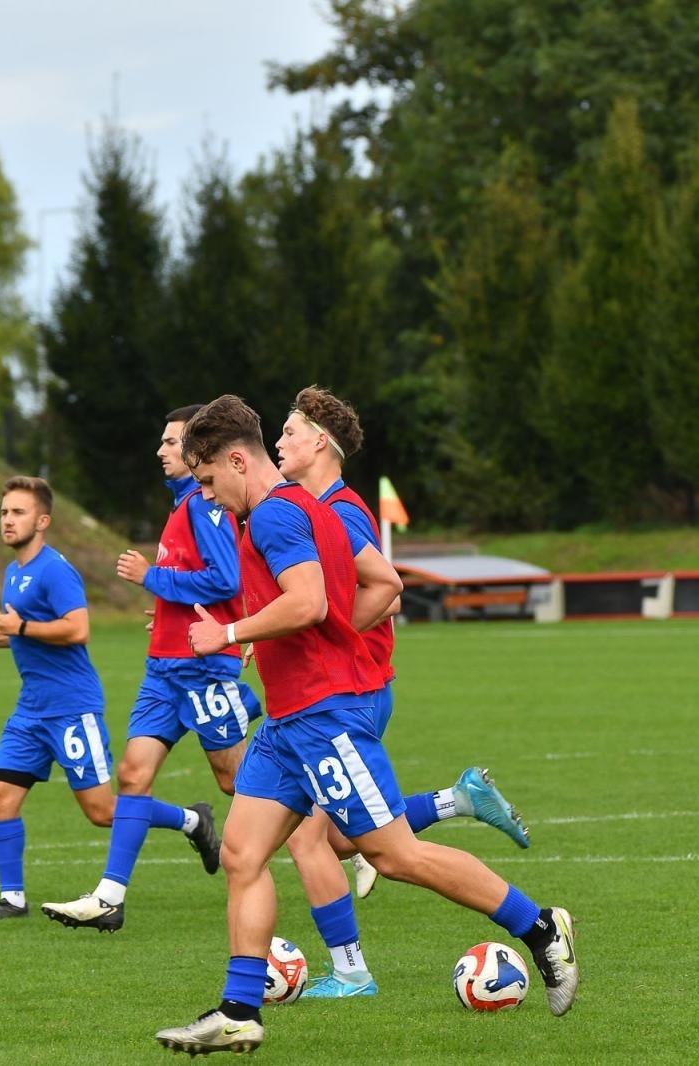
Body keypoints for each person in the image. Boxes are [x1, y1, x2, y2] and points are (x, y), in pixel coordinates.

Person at [153, 396, 577, 1056]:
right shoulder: (303, 507)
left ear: (236, 460)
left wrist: (232, 634)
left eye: (207, 479)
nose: (206, 495)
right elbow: (374, 585)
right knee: (241, 854)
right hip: (288, 721)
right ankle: (239, 1011)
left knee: (393, 855)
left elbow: (309, 600)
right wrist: (314, 639)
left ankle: (540, 926)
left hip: (323, 717)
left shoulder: (276, 515)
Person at [272, 385, 531, 999]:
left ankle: (352, 973)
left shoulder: (339, 512)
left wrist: (325, 638)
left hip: (348, 693)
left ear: (320, 443)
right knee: (342, 838)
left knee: (312, 838)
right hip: (344, 692)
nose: (278, 443)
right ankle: (457, 800)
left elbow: (387, 593)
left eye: (288, 432)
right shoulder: (312, 506)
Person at [41, 406, 264, 932]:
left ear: (197, 451)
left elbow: (225, 580)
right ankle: (109, 897)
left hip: (201, 669)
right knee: (132, 775)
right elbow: (199, 582)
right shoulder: (183, 505)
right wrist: (164, 611)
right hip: (164, 669)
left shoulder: (204, 507)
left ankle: (348, 838)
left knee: (237, 781)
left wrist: (152, 578)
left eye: (170, 442)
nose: (160, 451)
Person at [0, 475, 115, 920]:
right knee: (0, 795)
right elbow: (24, 633)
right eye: (4, 512)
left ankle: (190, 820)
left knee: (102, 812)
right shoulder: (14, 572)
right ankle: (12, 900)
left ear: (42, 521)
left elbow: (77, 629)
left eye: (18, 512)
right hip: (32, 711)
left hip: (71, 707)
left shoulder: (55, 570)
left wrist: (20, 627)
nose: (7, 520)